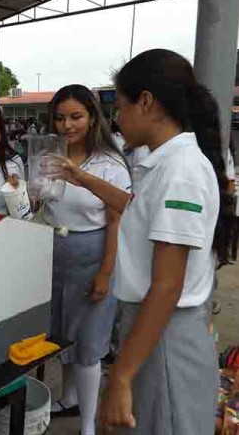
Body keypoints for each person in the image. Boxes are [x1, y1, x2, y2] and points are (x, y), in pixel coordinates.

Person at [58, 49, 230, 435]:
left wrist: (120, 376)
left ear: (147, 102)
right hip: (154, 326)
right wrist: (81, 177)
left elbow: (167, 285)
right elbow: (138, 210)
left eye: (120, 107)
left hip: (167, 332)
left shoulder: (180, 171)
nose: (116, 119)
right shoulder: (162, 164)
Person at [46, 85, 131, 435]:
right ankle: (68, 397)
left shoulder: (109, 165)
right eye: (61, 117)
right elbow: (43, 203)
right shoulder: (50, 155)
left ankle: (87, 426)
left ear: (93, 117)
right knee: (63, 334)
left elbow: (116, 221)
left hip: (93, 253)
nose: (67, 125)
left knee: (90, 342)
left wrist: (105, 273)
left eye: (76, 116)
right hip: (53, 252)